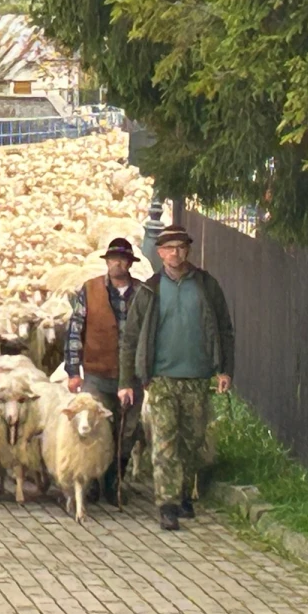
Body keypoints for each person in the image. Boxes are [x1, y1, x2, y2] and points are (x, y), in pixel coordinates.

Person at [119, 224, 234, 531]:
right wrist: (127, 382)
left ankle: (183, 493)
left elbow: (224, 328)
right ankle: (166, 504)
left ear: (188, 251)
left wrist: (224, 369)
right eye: (169, 248)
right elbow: (131, 338)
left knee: (192, 440)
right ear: (160, 253)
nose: (175, 253)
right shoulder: (150, 290)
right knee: (164, 442)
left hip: (197, 377)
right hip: (161, 378)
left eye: (181, 248)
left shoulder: (206, 286)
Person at [64, 237, 141, 505]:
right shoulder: (90, 289)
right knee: (96, 425)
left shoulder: (143, 293)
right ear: (107, 262)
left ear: (130, 263)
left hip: (131, 375)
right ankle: (93, 480)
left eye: (122, 259)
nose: (117, 263)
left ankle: (115, 480)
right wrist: (73, 370)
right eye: (113, 259)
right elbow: (75, 329)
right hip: (97, 372)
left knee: (127, 430)